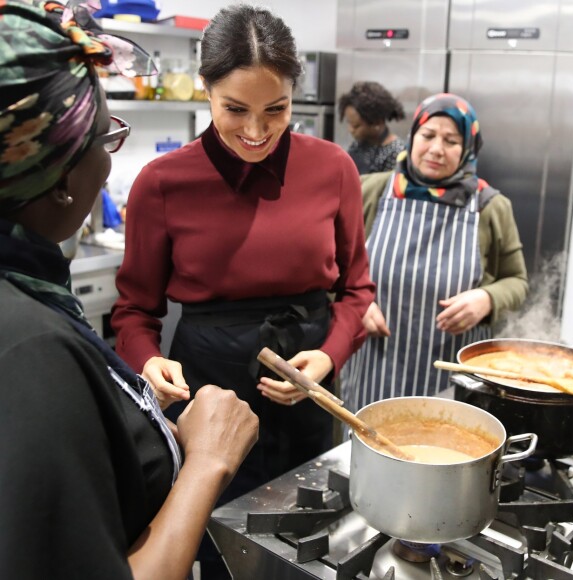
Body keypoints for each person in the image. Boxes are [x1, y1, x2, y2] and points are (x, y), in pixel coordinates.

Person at [111, 4, 374, 576]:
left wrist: (328, 357)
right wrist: (149, 361)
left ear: (292, 98)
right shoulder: (162, 183)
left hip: (308, 392)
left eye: (275, 110)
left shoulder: (333, 169)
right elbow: (133, 312)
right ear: (205, 89)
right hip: (207, 395)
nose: (255, 132)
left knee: (318, 542)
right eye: (235, 109)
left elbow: (357, 291)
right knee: (217, 545)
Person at [0, 2, 258, 579]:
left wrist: (123, 408)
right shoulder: (29, 347)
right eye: (105, 138)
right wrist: (210, 461)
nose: (109, 165)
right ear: (62, 179)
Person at [340, 93, 529, 413]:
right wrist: (355, 302)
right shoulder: (369, 191)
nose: (436, 149)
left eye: (451, 140)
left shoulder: (490, 207)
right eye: (427, 136)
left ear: (468, 148)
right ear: (413, 137)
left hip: (450, 377)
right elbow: (333, 265)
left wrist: (488, 299)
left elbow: (518, 281)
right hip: (373, 367)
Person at [338, 81, 406, 175]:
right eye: (349, 123)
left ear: (377, 123)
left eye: (356, 126)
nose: (351, 130)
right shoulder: (358, 144)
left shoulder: (396, 152)